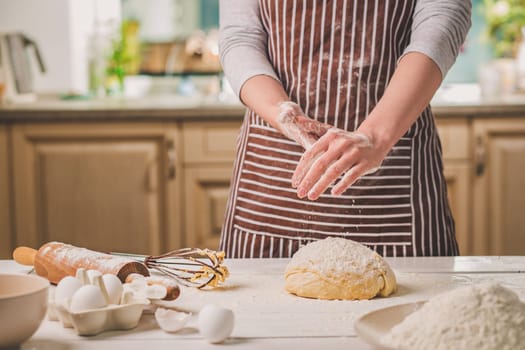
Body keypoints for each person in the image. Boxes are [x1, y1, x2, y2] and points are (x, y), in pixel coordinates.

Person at [218, 0, 471, 258]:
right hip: (271, 183)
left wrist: (375, 135)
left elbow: (442, 21)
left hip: (392, 179)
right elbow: (240, 36)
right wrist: (279, 112)